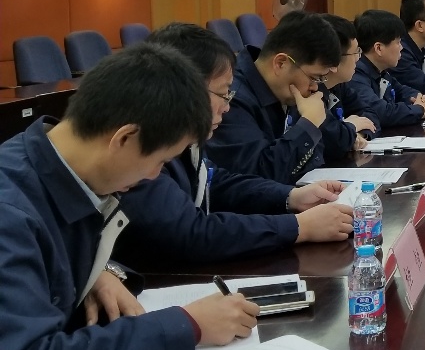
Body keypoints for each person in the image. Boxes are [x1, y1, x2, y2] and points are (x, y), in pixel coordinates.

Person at [0, 45, 258, 350]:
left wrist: (99, 271)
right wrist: (187, 326)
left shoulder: (43, 164)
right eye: (159, 161)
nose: (156, 177)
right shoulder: (11, 213)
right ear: (123, 137)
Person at [114, 23, 354, 265]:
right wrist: (298, 227)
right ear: (182, 90)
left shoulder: (177, 139)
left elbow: (214, 182)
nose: (227, 107)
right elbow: (190, 232)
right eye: (223, 94)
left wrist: (290, 197)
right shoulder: (139, 147)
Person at [206, 10, 341, 184]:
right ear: (281, 63)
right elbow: (258, 176)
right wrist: (308, 124)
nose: (315, 87)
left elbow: (314, 159)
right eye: (314, 78)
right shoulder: (232, 99)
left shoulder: (287, 89)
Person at [351, 9, 425, 131]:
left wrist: (422, 99)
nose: (401, 48)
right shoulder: (356, 75)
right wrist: (420, 109)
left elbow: (401, 90)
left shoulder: (380, 71)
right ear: (379, 48)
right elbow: (381, 112)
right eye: (398, 42)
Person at [316, 14, 377, 155]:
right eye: (355, 52)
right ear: (334, 60)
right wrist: (351, 126)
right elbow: (331, 138)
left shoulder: (339, 84)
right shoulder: (310, 90)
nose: (358, 58)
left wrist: (358, 135)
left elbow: (371, 115)